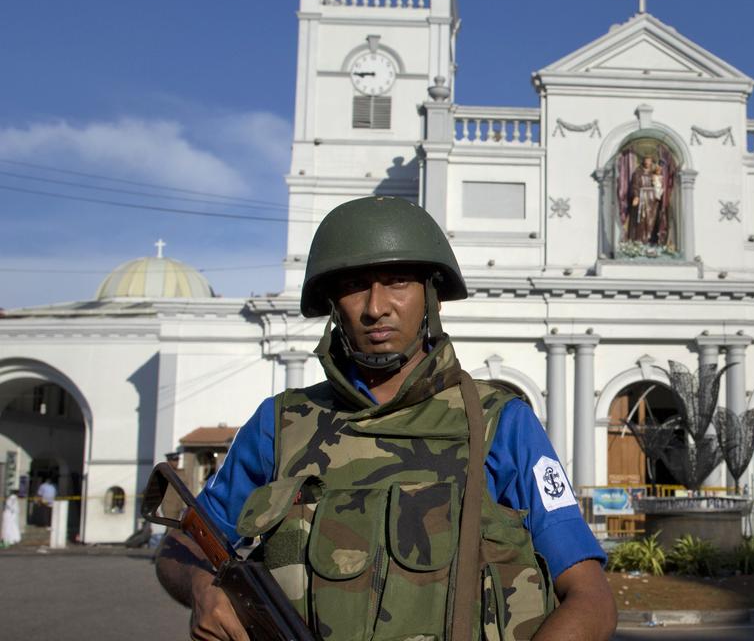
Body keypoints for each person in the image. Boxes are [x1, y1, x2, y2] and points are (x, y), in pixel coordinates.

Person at [154, 196, 617, 641]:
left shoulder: (500, 423)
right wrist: (203, 590)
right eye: (356, 286)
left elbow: (590, 597)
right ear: (335, 305)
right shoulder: (281, 425)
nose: (376, 307)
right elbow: (183, 545)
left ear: (430, 297)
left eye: (397, 281)